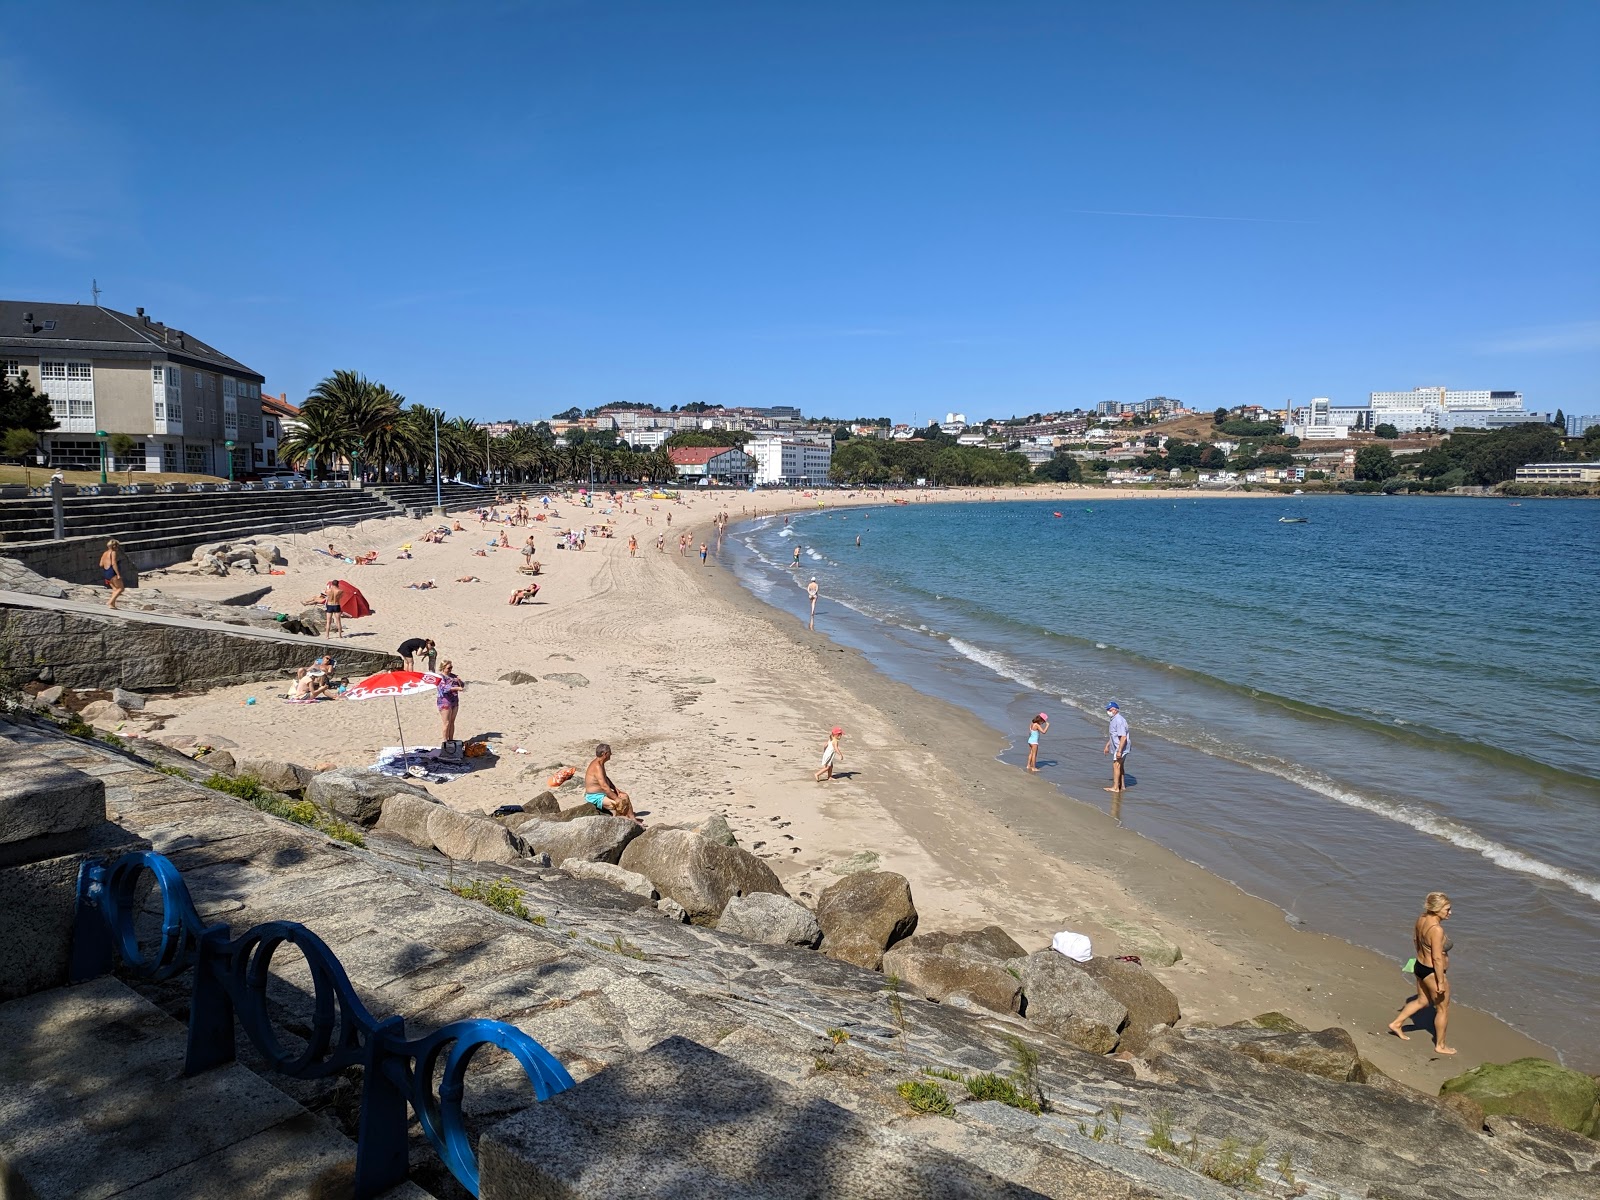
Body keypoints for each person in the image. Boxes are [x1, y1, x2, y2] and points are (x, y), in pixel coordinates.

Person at [1388, 892, 1458, 1054]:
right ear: (1436, 909)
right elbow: (1437, 958)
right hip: (1432, 972)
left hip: (1419, 965)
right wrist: (1440, 981)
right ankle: (1440, 1045)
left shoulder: (1422, 919)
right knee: (1443, 1009)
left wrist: (1422, 956)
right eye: (1447, 909)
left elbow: (1415, 939)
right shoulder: (1437, 930)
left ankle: (1396, 1024)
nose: (1450, 912)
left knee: (1422, 1001)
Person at [583, 743, 642, 824]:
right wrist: (616, 798)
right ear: (605, 754)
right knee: (616, 803)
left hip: (602, 793)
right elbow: (604, 786)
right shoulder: (597, 766)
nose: (611, 754)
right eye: (610, 752)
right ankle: (620, 820)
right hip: (595, 796)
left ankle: (633, 818)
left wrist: (614, 788)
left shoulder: (600, 763)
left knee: (624, 796)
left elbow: (605, 778)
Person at [1103, 700, 1129, 792]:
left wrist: (1119, 751)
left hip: (1121, 747)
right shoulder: (1114, 719)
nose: (1108, 711)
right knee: (1120, 766)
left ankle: (1115, 787)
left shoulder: (1118, 720)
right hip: (1119, 747)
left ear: (1115, 710)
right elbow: (1114, 735)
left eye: (1109, 709)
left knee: (1116, 766)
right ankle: (1122, 786)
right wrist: (1107, 745)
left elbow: (1123, 737)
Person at [435, 661, 464, 742]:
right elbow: (444, 688)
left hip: (454, 700)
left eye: (451, 667)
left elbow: (462, 685)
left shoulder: (453, 676)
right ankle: (445, 741)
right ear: (443, 668)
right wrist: (456, 688)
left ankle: (451, 740)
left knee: (452, 721)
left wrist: (460, 681)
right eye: (448, 668)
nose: (450, 669)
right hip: (445, 701)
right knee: (446, 722)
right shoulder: (440, 677)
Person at [100, 539, 125, 609]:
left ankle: (112, 605)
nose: (118, 548)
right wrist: (118, 574)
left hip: (106, 572)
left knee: (115, 589)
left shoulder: (104, 553)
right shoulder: (113, 552)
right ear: (114, 546)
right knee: (120, 588)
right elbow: (113, 563)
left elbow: (101, 564)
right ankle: (110, 602)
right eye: (117, 546)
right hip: (112, 572)